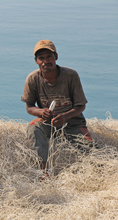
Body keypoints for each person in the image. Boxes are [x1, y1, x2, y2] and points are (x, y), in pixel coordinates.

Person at [21, 40, 92, 175]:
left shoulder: (71, 75)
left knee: (92, 150)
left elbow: (80, 105)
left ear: (56, 57)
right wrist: (41, 112)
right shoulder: (33, 79)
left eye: (49, 57)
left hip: (73, 122)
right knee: (33, 128)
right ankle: (44, 171)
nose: (45, 61)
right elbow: (29, 107)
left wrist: (65, 116)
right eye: (41, 58)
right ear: (36, 60)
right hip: (48, 122)